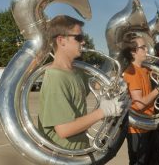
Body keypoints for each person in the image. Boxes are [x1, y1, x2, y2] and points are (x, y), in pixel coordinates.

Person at [38, 15, 125, 149]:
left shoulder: (76, 71)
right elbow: (64, 129)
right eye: (78, 37)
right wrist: (102, 111)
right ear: (61, 41)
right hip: (64, 155)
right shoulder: (55, 77)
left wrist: (113, 83)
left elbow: (96, 83)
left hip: (79, 149)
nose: (83, 41)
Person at [122, 34, 159, 165]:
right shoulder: (131, 72)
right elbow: (139, 105)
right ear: (133, 52)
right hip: (137, 129)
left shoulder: (144, 68)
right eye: (143, 47)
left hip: (149, 124)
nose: (147, 50)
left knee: (155, 160)